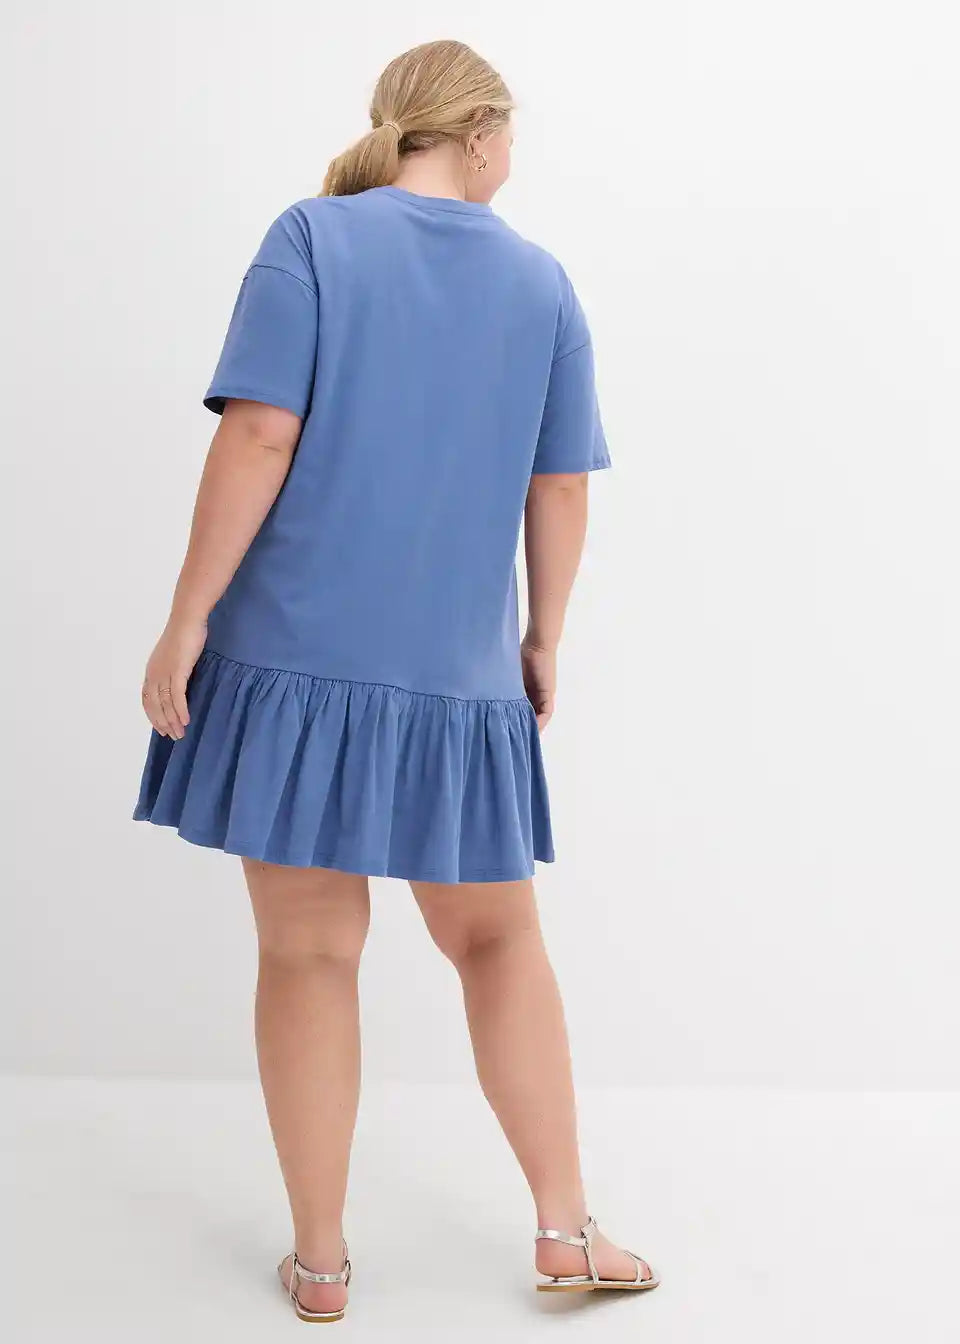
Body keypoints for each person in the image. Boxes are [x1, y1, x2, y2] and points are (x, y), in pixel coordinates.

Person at [134, 38, 658, 1323]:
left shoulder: (310, 239)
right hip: (454, 686)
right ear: (479, 135)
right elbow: (560, 487)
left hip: (290, 669)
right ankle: (564, 1227)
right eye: (512, 136)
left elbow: (261, 434)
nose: (513, 157)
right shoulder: (541, 284)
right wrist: (542, 639)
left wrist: (185, 619)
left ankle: (321, 1265)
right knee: (499, 942)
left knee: (309, 953)